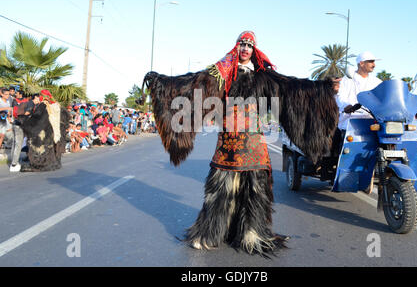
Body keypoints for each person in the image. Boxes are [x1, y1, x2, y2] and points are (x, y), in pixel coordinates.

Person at [140, 31, 338, 256]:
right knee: (220, 188)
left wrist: (324, 88)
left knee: (255, 187)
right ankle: (209, 233)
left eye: (249, 45)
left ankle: (251, 234)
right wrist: (161, 82)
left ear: (254, 50)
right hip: (228, 141)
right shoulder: (221, 73)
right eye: (242, 44)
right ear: (236, 47)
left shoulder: (263, 75)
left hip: (253, 141)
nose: (245, 48)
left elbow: (293, 87)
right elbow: (192, 83)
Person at [335, 51, 382, 131]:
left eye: (374, 62)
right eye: (370, 62)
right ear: (361, 63)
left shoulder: (377, 82)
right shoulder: (347, 80)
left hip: (372, 123)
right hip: (350, 123)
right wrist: (347, 106)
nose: (374, 65)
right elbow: (340, 97)